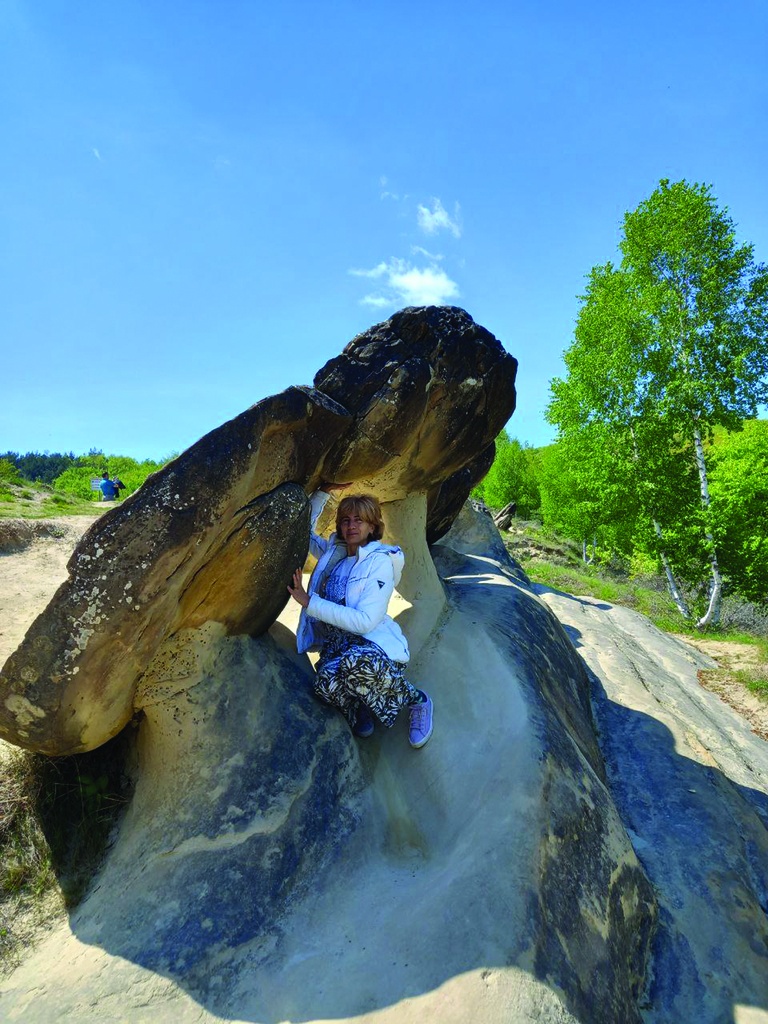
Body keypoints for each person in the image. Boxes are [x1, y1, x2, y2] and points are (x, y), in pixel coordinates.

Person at [287, 485, 434, 748]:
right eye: (345, 520)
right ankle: (361, 703)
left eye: (359, 520)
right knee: (323, 684)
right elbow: (303, 534)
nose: (351, 526)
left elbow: (366, 621)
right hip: (337, 650)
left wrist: (310, 602)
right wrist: (322, 492)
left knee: (357, 662)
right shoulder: (336, 555)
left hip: (371, 650)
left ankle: (416, 700)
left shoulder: (380, 562)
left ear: (371, 526)